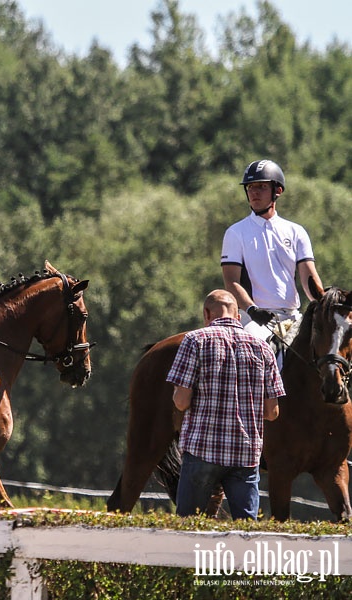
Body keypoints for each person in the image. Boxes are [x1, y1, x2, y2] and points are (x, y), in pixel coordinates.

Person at [167, 289, 283, 520]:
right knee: (246, 531)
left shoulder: (194, 341)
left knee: (188, 527)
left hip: (202, 450)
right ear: (238, 316)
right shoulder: (263, 349)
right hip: (246, 454)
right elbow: (272, 412)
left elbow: (181, 403)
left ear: (206, 313)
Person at [221, 159, 324, 352]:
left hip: (294, 317)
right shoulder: (236, 232)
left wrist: (323, 304)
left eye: (261, 186)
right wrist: (252, 309)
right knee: (252, 352)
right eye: (250, 187)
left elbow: (309, 279)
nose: (254, 192)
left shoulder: (296, 231)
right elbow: (231, 282)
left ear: (277, 190)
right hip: (255, 320)